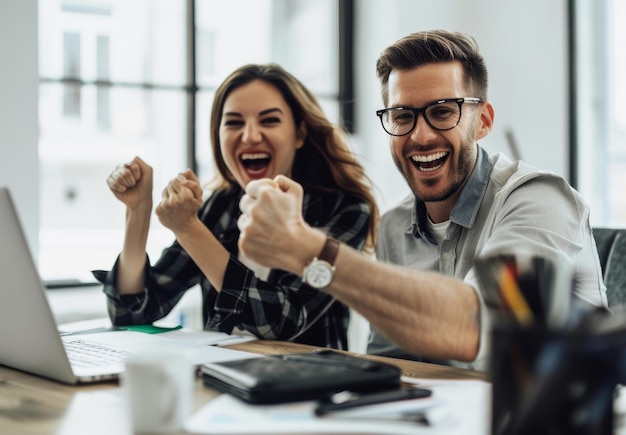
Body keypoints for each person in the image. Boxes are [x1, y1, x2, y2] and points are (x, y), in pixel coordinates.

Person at [236, 30, 608, 370]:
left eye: (443, 112)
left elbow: (477, 326)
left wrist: (307, 248)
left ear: (483, 121)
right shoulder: (394, 226)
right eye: (402, 116)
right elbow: (392, 363)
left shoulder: (540, 199)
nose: (421, 135)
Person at [93, 63, 379, 350]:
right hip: (219, 382)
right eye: (234, 122)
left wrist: (189, 228)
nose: (250, 136)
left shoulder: (346, 209)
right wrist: (138, 211)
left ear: (300, 134)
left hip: (310, 385)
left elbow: (285, 320)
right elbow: (131, 312)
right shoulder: (217, 207)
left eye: (269, 121)